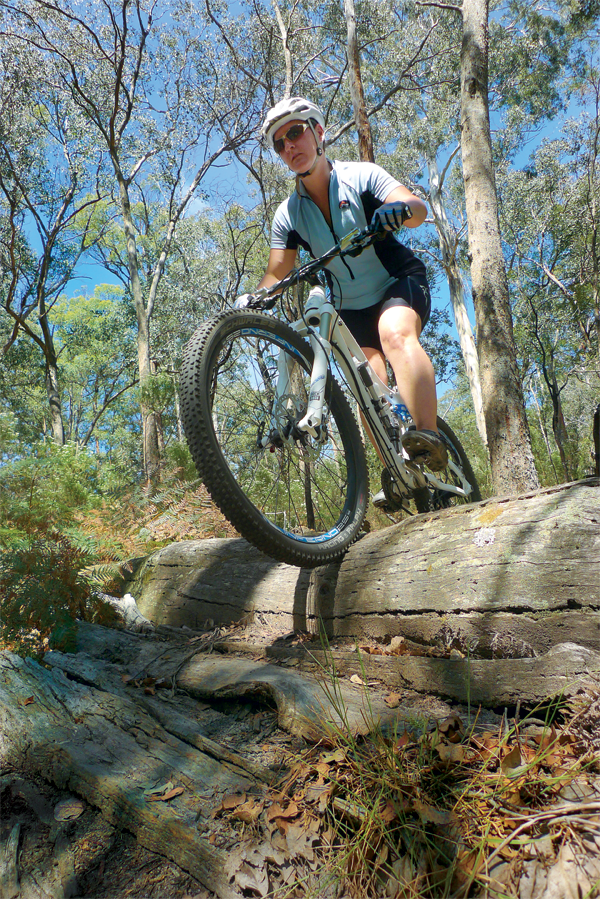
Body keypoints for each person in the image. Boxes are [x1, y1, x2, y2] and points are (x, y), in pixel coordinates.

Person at [247, 97, 447, 500]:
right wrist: (254, 296)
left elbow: (416, 207)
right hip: (350, 307)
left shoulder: (361, 176)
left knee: (395, 335)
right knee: (366, 387)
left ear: (318, 133)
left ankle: (430, 436)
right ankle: (396, 469)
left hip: (396, 282)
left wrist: (397, 211)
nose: (289, 145)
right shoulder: (288, 215)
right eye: (279, 143)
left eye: (295, 132)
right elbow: (277, 270)